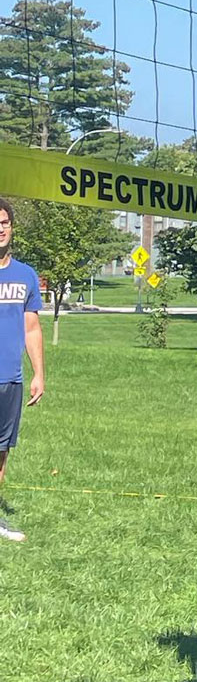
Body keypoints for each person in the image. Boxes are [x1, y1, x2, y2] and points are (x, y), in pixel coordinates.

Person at [0, 197, 46, 544]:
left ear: (11, 228)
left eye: (4, 222)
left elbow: (31, 328)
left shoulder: (26, 275)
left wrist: (38, 374)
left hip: (10, 381)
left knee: (1, 456)